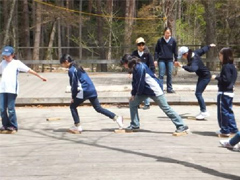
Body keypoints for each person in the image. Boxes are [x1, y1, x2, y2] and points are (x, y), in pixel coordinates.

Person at [121, 54, 189, 133]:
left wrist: (136, 94)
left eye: (123, 64)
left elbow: (140, 83)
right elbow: (134, 82)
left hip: (154, 90)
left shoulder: (140, 68)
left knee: (166, 108)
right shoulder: (135, 68)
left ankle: (181, 125)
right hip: (145, 90)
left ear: (127, 62)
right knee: (133, 103)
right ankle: (134, 124)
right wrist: (133, 94)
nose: (123, 66)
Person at [60, 54, 123, 133]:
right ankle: (116, 118)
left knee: (73, 106)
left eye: (62, 63)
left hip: (84, 90)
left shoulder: (72, 70)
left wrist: (73, 97)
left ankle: (77, 126)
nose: (62, 65)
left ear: (66, 62)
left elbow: (73, 85)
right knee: (98, 108)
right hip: (91, 89)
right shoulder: (78, 67)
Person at [0, 46, 47, 134]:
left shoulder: (17, 63)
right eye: (4, 56)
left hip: (12, 89)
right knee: (2, 108)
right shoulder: (2, 63)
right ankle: (5, 124)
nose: (6, 58)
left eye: (8, 56)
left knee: (10, 108)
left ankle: (13, 125)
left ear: (13, 55)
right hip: (2, 89)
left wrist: (40, 76)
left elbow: (29, 70)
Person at [175, 44, 216, 120]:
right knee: (198, 93)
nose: (183, 58)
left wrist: (182, 66)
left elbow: (193, 69)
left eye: (182, 56)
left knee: (198, 93)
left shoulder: (194, 59)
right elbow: (203, 50)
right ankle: (203, 111)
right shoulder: (195, 52)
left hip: (205, 77)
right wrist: (209, 46)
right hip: (202, 76)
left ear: (186, 54)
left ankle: (204, 112)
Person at [211, 47, 238, 136]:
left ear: (225, 56)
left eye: (220, 55)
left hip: (224, 92)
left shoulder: (226, 67)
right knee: (229, 111)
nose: (219, 57)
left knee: (223, 112)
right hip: (229, 92)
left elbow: (226, 80)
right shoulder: (233, 66)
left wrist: (216, 77)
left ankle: (225, 130)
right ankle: (233, 129)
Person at [132, 37, 155, 110]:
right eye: (139, 45)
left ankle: (147, 103)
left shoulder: (147, 54)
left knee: (144, 87)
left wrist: (153, 73)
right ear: (137, 46)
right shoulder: (134, 54)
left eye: (142, 44)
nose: (141, 46)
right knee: (136, 86)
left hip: (146, 73)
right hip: (137, 73)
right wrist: (130, 72)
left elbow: (151, 64)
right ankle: (137, 103)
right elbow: (131, 64)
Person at [154, 27, 178, 93]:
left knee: (169, 74)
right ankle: (160, 88)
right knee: (161, 74)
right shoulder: (160, 41)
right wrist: (155, 59)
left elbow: (175, 51)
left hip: (170, 59)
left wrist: (176, 59)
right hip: (161, 59)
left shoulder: (173, 41)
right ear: (164, 33)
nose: (168, 34)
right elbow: (156, 51)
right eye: (167, 33)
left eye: (169, 33)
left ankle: (169, 88)